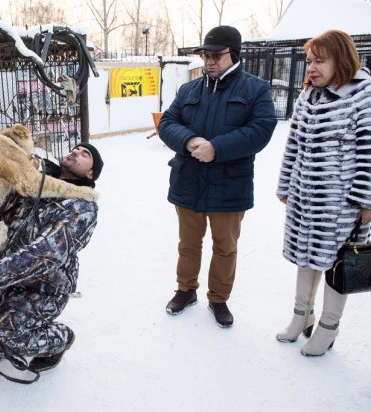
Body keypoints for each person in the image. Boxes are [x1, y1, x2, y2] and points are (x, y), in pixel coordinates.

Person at [0, 143, 104, 372]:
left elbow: (46, 253)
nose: (76, 152)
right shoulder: (35, 182)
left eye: (85, 154)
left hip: (44, 290)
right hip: (10, 281)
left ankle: (59, 338)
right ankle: (13, 332)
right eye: (75, 149)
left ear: (90, 173)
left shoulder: (81, 207)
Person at [158, 25, 277, 327]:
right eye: (205, 55)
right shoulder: (189, 89)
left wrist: (217, 148)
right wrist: (188, 140)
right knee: (188, 243)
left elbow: (261, 130)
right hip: (188, 179)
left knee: (225, 246)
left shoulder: (256, 89)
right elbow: (168, 122)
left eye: (216, 55)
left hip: (230, 184)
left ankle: (218, 298)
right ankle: (185, 289)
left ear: (233, 54)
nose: (209, 61)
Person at [276, 30, 371, 356]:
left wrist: (365, 201)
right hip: (304, 198)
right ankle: (302, 316)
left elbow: (369, 152)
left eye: (320, 61)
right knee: (306, 256)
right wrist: (286, 184)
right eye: (308, 61)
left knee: (336, 264)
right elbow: (294, 146)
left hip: (341, 204)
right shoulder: (308, 96)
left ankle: (328, 328)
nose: (311, 68)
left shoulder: (363, 95)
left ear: (340, 60)